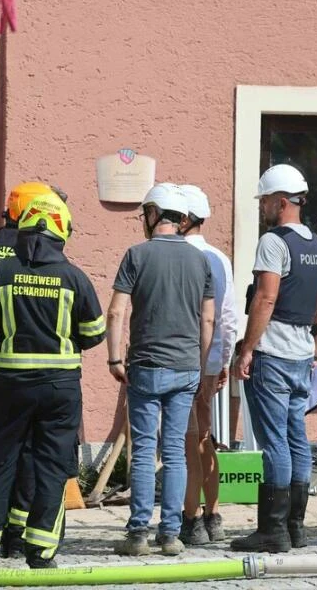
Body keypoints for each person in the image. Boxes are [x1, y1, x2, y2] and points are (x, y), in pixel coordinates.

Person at [0, 193, 105, 569]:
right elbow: (94, 332)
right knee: (50, 467)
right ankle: (41, 552)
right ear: (62, 232)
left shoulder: (0, 271)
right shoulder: (74, 277)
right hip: (61, 387)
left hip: (10, 382)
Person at [0, 180, 68, 559]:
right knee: (35, 453)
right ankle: (19, 534)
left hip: (2, 360)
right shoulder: (42, 255)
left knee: (2, 451)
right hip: (48, 366)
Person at [107, 182, 214, 557]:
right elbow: (208, 321)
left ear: (153, 215)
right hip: (186, 367)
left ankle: (138, 533)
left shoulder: (136, 255)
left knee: (144, 450)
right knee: (175, 452)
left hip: (146, 365)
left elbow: (117, 310)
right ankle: (170, 534)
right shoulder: (201, 261)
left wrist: (114, 359)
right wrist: (201, 368)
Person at [231, 164, 317, 553]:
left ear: (281, 201)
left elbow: (266, 297)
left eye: (266, 201)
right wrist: (316, 351)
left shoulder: (274, 242)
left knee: (275, 442)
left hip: (272, 354)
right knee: (296, 439)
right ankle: (296, 528)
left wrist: (248, 348)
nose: (262, 208)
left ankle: (272, 531)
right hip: (301, 355)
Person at [178, 185, 238, 545]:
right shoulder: (219, 257)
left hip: (183, 358)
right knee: (204, 437)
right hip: (212, 357)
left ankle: (191, 519)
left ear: (182, 219)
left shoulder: (174, 255)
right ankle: (213, 513)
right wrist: (223, 360)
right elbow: (228, 317)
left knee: (189, 441)